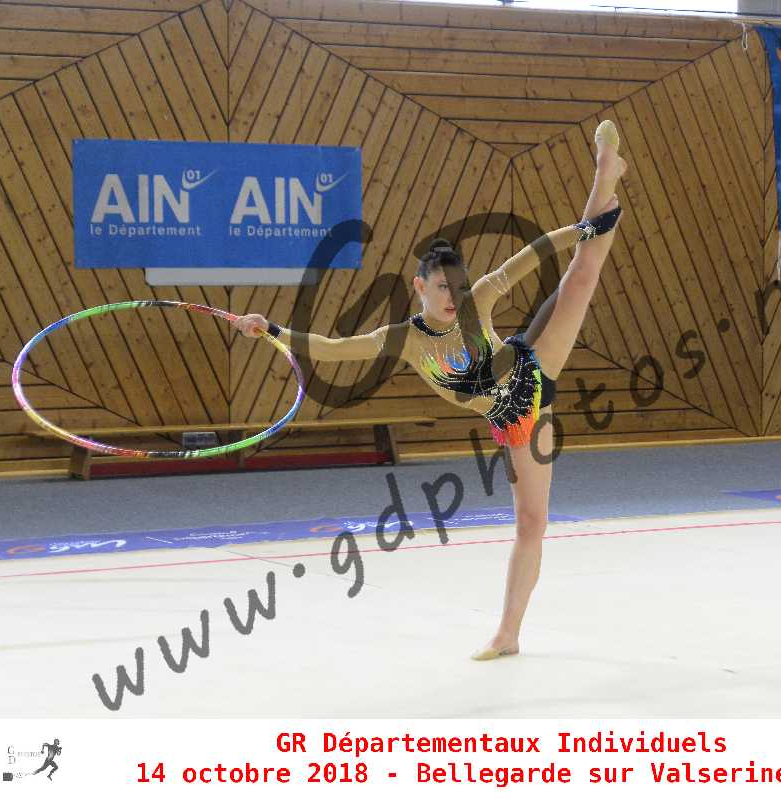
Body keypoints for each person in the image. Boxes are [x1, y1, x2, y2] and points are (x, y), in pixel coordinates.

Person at [234, 121, 628, 660]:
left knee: (581, 273)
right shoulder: (403, 339)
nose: (452, 296)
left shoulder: (476, 301)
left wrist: (583, 230)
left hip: (533, 370)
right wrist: (271, 331)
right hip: (518, 420)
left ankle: (605, 171)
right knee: (531, 523)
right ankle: (509, 634)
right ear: (420, 286)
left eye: (457, 286)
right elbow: (329, 348)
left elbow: (531, 254)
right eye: (442, 287)